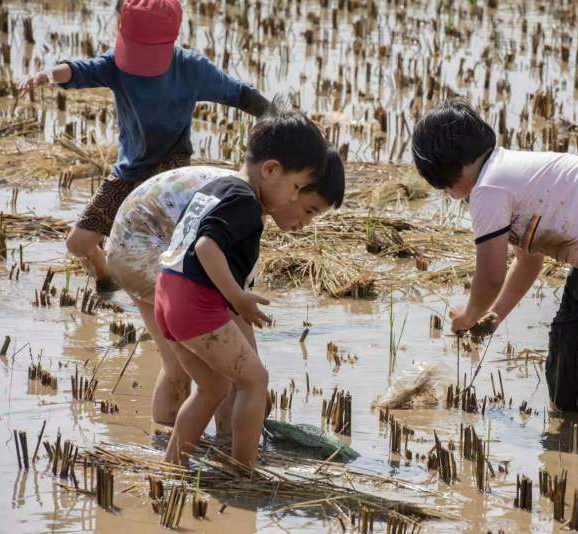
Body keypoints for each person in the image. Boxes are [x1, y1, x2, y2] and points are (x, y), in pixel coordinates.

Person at [410, 100, 578, 434]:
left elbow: (490, 278)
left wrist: (467, 317)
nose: (449, 195)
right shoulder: (502, 174)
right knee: (566, 354)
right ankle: (570, 447)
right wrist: (494, 318)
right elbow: (528, 260)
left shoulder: (488, 188)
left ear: (441, 171)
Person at [19, 0, 272, 293]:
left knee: (167, 254)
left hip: (172, 175)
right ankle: (106, 282)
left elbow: (239, 93)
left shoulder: (190, 68)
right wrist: (48, 75)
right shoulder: (117, 65)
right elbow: (78, 71)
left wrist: (282, 119)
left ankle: (169, 309)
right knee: (77, 244)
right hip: (130, 171)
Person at [106, 144, 345, 434]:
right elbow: (235, 310)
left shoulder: (240, 189)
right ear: (290, 185)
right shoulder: (244, 208)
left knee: (179, 365)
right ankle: (226, 442)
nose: (305, 223)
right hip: (147, 246)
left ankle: (164, 439)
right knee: (235, 371)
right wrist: (251, 379)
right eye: (307, 209)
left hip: (127, 245)